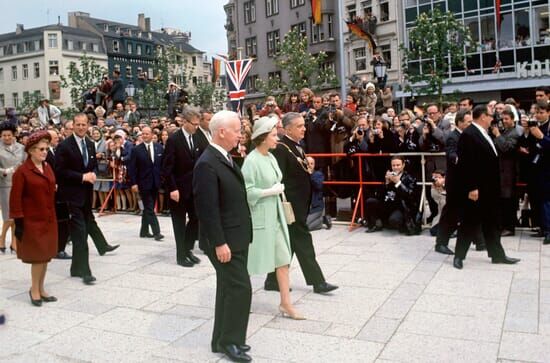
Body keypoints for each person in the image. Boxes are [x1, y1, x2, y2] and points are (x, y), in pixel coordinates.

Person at [193, 110, 253, 362]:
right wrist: (219, 243)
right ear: (221, 132)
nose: (241, 134)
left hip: (235, 236)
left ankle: (220, 339)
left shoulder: (224, 157)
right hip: (224, 240)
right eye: (237, 130)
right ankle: (231, 341)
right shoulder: (207, 163)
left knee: (228, 288)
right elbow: (207, 209)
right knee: (241, 289)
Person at [264, 112, 338, 294]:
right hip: (291, 207)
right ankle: (318, 282)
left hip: (300, 205)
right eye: (299, 126)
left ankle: (273, 280)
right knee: (303, 242)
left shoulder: (297, 146)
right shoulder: (281, 148)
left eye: (304, 125)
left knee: (289, 244)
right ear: (287, 128)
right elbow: (278, 178)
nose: (304, 128)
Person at [242, 116, 305, 320]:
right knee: (251, 262)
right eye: (273, 135)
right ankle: (241, 300)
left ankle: (286, 303)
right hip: (260, 218)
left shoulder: (270, 156)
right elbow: (248, 192)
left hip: (276, 216)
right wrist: (270, 191)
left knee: (283, 260)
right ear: (262, 137)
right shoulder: (251, 161)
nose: (277, 138)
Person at [453, 105, 520, 269]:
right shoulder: (469, 134)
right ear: (483, 116)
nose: (493, 119)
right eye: (491, 115)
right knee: (469, 223)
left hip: (490, 189)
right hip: (476, 190)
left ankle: (497, 255)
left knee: (492, 223)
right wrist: (472, 187)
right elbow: (466, 164)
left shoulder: (485, 133)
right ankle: (459, 256)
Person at [55, 114, 119, 285]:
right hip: (70, 197)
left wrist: (92, 174)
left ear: (88, 125)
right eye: (78, 124)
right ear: (73, 126)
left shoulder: (90, 144)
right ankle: (85, 271)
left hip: (85, 196)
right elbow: (60, 172)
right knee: (81, 234)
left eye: (84, 124)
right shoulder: (64, 146)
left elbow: (91, 167)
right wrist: (82, 177)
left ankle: (76, 267)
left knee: (79, 233)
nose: (81, 127)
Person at [10, 131, 58, 306]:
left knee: (46, 256)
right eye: (41, 149)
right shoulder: (22, 171)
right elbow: (15, 199)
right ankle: (34, 290)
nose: (45, 152)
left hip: (48, 219)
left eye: (46, 148)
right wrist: (18, 221)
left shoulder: (47, 167)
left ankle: (42, 288)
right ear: (31, 150)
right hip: (32, 221)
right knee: (38, 258)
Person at [162, 109, 202, 267]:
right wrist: (172, 188)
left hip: (193, 188)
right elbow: (167, 167)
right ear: (184, 122)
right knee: (179, 223)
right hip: (178, 189)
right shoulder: (174, 140)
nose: (196, 127)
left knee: (195, 218)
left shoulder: (196, 137)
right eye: (194, 124)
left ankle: (188, 249)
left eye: (198, 124)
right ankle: (181, 255)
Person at [434, 109, 475, 255]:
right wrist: (461, 159)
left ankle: (480, 241)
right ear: (460, 122)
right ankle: (441, 243)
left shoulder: (468, 135)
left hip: (467, 182)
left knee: (471, 212)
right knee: (451, 214)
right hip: (456, 183)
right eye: (468, 122)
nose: (471, 124)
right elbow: (452, 154)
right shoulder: (453, 137)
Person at [364, 156, 420, 235]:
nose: (395, 167)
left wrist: (398, 183)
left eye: (398, 165)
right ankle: (377, 224)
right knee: (370, 201)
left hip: (400, 206)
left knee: (394, 220)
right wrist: (386, 183)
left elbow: (410, 196)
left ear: (403, 165)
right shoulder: (389, 175)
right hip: (388, 203)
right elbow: (379, 196)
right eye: (393, 165)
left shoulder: (409, 178)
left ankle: (399, 225)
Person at [129, 127, 164, 241]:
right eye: (142, 134)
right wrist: (134, 183)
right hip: (143, 182)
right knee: (149, 207)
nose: (144, 136)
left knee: (149, 206)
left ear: (152, 134)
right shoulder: (136, 150)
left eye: (147, 134)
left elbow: (161, 165)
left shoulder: (159, 147)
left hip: (156, 182)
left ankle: (143, 231)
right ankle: (157, 232)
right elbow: (132, 168)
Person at [45, 130, 71, 260]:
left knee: (63, 221)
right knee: (61, 221)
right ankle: (58, 249)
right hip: (53, 192)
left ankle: (59, 247)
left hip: (60, 191)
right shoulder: (46, 153)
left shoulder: (53, 151)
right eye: (55, 137)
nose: (58, 139)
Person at [0, 122, 25, 253]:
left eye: (9, 135)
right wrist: (6, 170)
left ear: (14, 134)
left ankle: (14, 242)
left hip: (20, 185)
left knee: (17, 216)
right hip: (5, 185)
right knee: (8, 217)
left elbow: (26, 163)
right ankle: (2, 238)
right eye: (4, 135)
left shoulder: (21, 148)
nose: (7, 138)